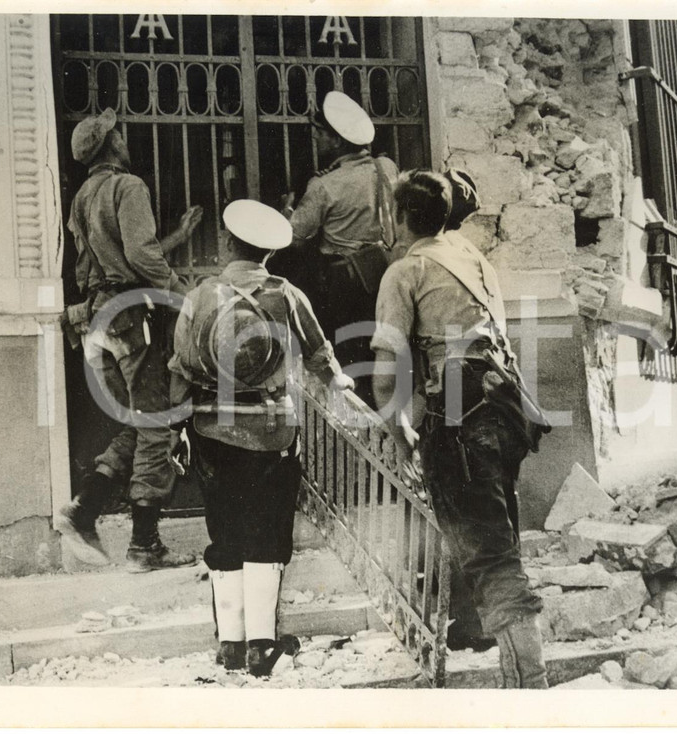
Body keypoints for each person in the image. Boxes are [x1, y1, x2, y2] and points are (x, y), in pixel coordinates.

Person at [370, 170, 551, 689]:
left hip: (458, 422)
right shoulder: (474, 260)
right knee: (495, 536)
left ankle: (532, 687)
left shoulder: (405, 272)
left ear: (400, 217)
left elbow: (386, 376)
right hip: (503, 408)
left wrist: (398, 432)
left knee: (491, 555)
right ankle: (499, 659)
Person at [169, 199, 354, 676]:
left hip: (210, 429)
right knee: (267, 532)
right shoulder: (285, 294)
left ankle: (230, 646)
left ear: (227, 243)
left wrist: (176, 430)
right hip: (271, 431)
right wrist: (343, 388)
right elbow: (320, 356)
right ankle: (261, 647)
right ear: (269, 254)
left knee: (223, 531)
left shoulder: (200, 295)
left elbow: (180, 368)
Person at [56, 107, 202, 573]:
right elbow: (140, 255)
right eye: (117, 134)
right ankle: (144, 546)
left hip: (98, 321)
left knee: (142, 422)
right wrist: (183, 294)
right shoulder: (128, 185)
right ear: (110, 145)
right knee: (157, 425)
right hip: (131, 320)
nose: (123, 138)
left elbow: (107, 263)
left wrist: (175, 237)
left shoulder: (83, 195)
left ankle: (83, 511)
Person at [276, 91, 398, 405]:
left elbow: (293, 237)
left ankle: (353, 416)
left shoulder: (324, 185)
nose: (316, 139)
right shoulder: (386, 167)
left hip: (343, 282)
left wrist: (288, 208)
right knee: (379, 351)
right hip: (382, 272)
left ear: (337, 141)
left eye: (320, 134)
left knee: (346, 354)